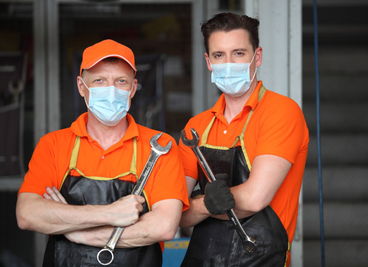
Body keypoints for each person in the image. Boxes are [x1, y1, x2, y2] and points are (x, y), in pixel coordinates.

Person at [16, 39, 189, 267]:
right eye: (99, 81)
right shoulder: (54, 145)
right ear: (81, 86)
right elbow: (28, 214)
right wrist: (110, 213)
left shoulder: (158, 146)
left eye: (121, 81)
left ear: (133, 88)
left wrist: (77, 232)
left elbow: (163, 226)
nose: (111, 90)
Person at [179, 13, 309, 266]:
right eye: (219, 55)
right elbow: (177, 213)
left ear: (256, 57)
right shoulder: (196, 127)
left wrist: (200, 206)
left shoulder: (281, 111)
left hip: (261, 258)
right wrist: (208, 204)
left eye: (238, 53)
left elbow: (255, 198)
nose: (228, 63)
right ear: (208, 61)